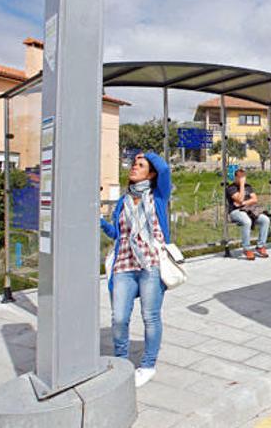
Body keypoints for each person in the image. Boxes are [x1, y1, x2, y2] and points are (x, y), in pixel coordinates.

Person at [100, 152, 170, 388]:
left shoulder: (158, 196)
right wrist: (101, 222)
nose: (134, 167)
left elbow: (166, 169)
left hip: (150, 264)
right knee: (119, 318)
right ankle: (121, 363)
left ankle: (148, 365)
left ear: (150, 174)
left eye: (140, 165)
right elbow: (118, 234)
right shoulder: (123, 201)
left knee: (150, 316)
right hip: (124, 264)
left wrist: (147, 154)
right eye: (133, 164)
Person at [226, 167, 270, 260]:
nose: (243, 178)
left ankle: (260, 246)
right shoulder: (231, 188)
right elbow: (240, 199)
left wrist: (243, 203)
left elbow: (255, 199)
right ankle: (246, 248)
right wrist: (241, 185)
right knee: (247, 222)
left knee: (265, 220)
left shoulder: (248, 186)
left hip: (249, 210)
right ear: (236, 177)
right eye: (240, 177)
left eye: (244, 176)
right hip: (235, 211)